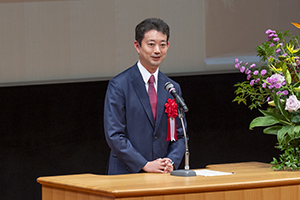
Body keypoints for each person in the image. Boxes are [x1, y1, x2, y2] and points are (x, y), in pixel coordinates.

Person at [104, 18, 187, 175]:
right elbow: (114, 135)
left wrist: (170, 162)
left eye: (162, 45)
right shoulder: (119, 85)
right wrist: (144, 164)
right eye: (151, 44)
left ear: (168, 46)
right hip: (127, 174)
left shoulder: (172, 88)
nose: (157, 50)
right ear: (137, 46)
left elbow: (180, 134)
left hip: (164, 175)